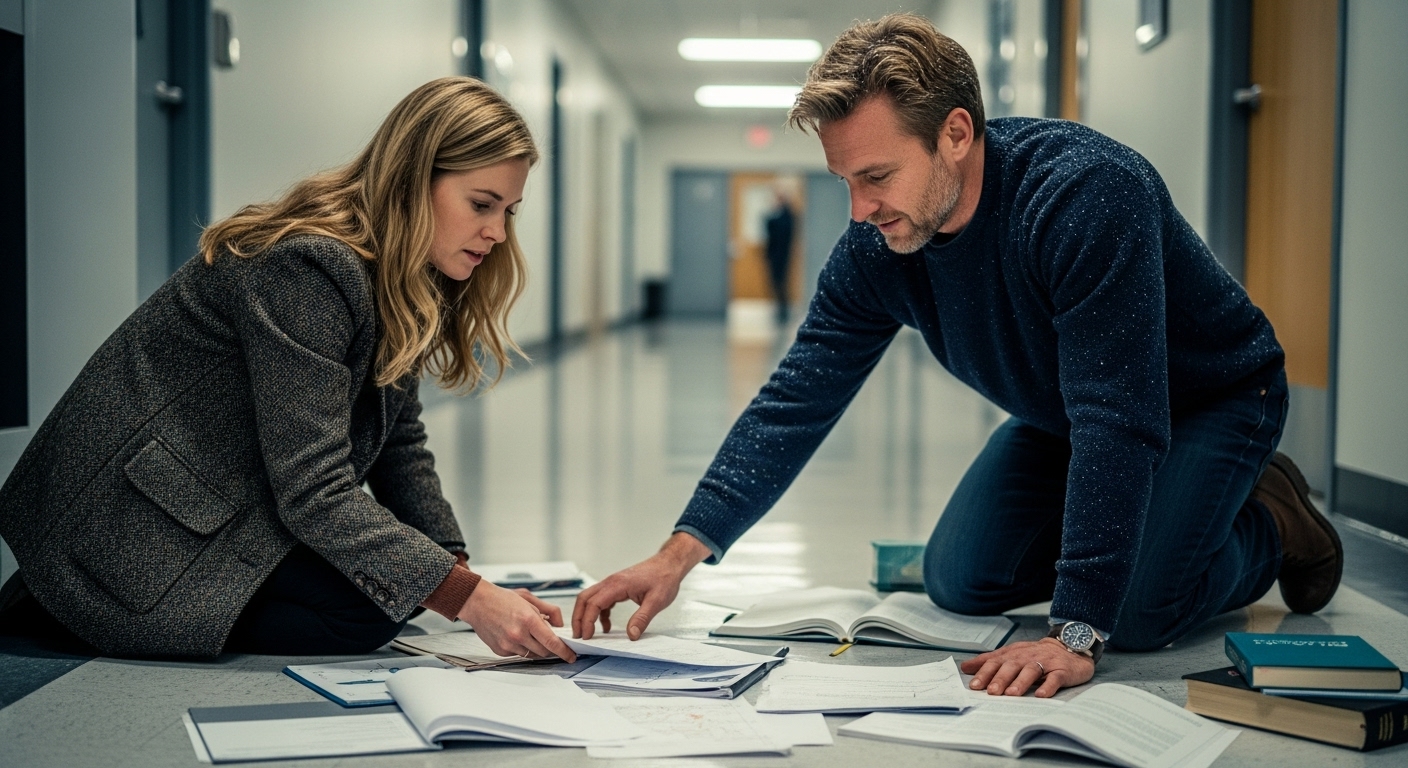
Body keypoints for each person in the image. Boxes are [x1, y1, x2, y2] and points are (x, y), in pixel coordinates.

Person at [573, 13, 1342, 698]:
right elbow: (799, 395)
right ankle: (1160, 527)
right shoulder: (876, 249)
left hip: (1212, 396)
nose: (860, 210)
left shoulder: (1086, 195)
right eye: (844, 181)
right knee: (960, 577)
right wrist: (678, 552)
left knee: (1132, 612)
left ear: (956, 133)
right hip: (1060, 412)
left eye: (875, 177)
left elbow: (1119, 417)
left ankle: (1274, 521)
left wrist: (1077, 626)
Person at [0, 77, 577, 662]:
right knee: (368, 609)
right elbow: (314, 488)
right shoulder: (308, 267)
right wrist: (469, 599)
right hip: (135, 521)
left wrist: (462, 575)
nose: (497, 233)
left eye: (508, 210)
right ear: (411, 179)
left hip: (232, 499)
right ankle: (61, 606)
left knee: (398, 583)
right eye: (482, 205)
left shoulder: (402, 276)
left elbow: (401, 439)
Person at [763, 190, 796, 324]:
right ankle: (780, 309)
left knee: (780, 282)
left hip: (781, 255)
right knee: (776, 283)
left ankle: (783, 311)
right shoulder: (780, 216)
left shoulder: (787, 216)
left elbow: (778, 231)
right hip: (775, 254)